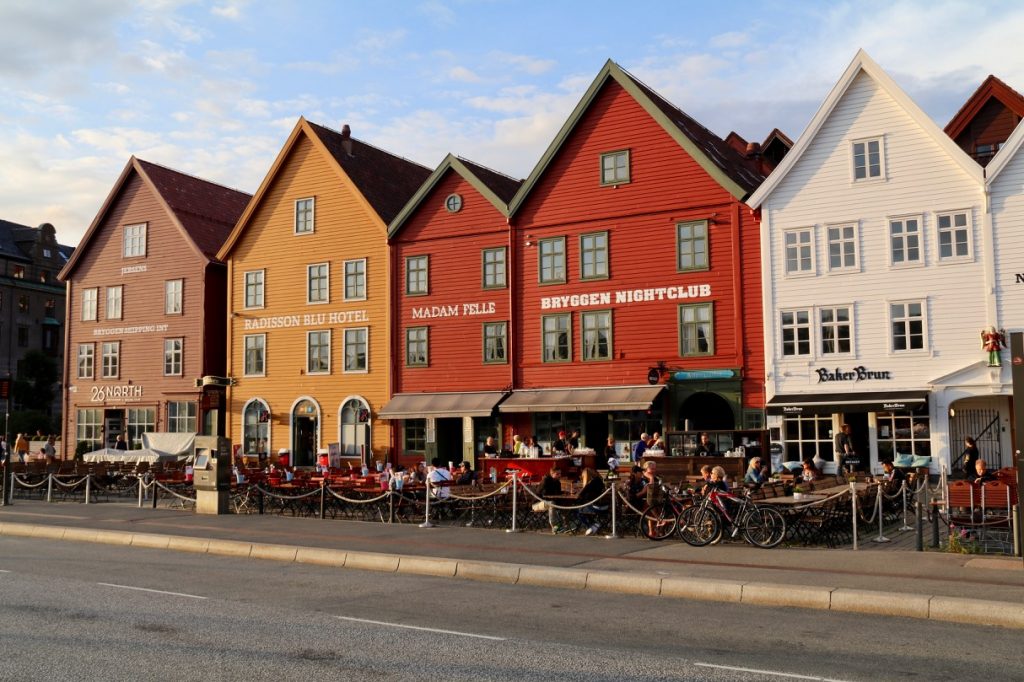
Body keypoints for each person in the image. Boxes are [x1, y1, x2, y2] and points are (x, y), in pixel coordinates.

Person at [575, 467, 607, 536]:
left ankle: (591, 526)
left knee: (578, 511)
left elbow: (579, 495)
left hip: (596, 507)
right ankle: (594, 525)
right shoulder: (600, 481)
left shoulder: (590, 483)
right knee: (584, 509)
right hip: (604, 506)